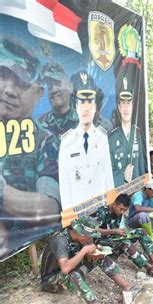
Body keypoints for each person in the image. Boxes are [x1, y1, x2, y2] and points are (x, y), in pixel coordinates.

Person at [0, 37, 60, 259]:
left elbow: (49, 207)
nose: (9, 90)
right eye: (3, 76)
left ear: (38, 94)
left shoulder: (45, 140)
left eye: (21, 83)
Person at [40, 216, 139, 304]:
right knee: (73, 275)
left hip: (69, 268)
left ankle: (126, 286)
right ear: (79, 233)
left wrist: (93, 252)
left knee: (100, 257)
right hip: (51, 280)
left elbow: (79, 253)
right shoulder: (60, 241)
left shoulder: (78, 238)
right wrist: (84, 250)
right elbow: (65, 269)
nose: (90, 239)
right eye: (89, 237)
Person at [58, 71, 114, 210]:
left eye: (90, 102)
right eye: (82, 103)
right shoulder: (66, 139)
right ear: (75, 106)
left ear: (96, 106)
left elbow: (107, 172)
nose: (86, 108)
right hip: (77, 205)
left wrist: (111, 204)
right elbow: (64, 182)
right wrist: (68, 217)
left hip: (99, 204)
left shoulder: (103, 134)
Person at [94, 194, 153, 277]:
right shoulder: (103, 212)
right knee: (125, 242)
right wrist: (114, 231)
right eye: (121, 209)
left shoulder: (118, 213)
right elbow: (95, 230)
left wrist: (122, 233)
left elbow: (117, 228)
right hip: (101, 242)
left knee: (141, 231)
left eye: (124, 210)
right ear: (115, 204)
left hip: (114, 237)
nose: (122, 212)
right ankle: (148, 267)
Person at [109, 77, 146, 186]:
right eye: (123, 104)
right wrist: (122, 177)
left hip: (136, 189)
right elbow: (109, 170)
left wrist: (143, 185)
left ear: (133, 107)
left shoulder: (138, 134)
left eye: (128, 103)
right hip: (119, 191)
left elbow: (140, 165)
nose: (126, 108)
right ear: (119, 108)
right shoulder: (112, 137)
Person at [39, 62, 79, 136]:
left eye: (58, 83)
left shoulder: (85, 120)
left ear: (70, 87)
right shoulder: (40, 125)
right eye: (49, 85)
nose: (53, 90)